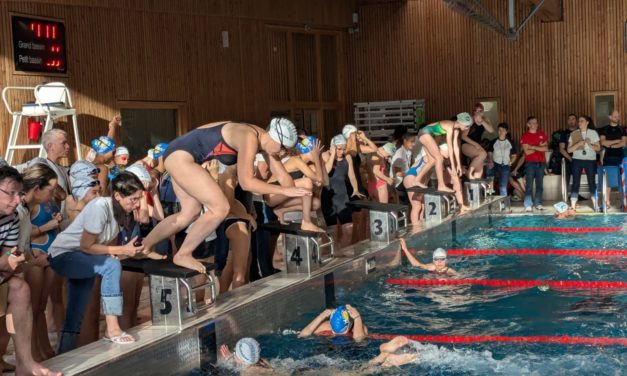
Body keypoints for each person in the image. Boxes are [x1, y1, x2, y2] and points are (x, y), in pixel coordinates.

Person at [142, 118, 311, 273]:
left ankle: (145, 246)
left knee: (189, 213)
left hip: (180, 154)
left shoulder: (265, 141)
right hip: (182, 156)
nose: (283, 154)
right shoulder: (249, 137)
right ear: (274, 138)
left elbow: (284, 178)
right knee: (221, 208)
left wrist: (294, 188)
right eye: (283, 148)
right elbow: (247, 183)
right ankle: (183, 253)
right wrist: (282, 191)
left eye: (287, 151)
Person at [49, 172, 146, 352]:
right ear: (117, 196)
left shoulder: (120, 214)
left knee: (76, 310)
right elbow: (87, 246)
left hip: (83, 258)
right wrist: (122, 250)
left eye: (139, 198)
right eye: (133, 199)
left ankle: (64, 353)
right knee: (111, 266)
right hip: (64, 255)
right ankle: (112, 328)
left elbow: (106, 250)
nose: (138, 204)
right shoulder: (101, 206)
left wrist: (134, 251)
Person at [0, 166, 62, 375]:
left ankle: (25, 363)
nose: (18, 200)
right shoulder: (20, 213)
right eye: (11, 193)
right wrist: (23, 262)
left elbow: (10, 257)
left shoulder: (11, 217)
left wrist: (16, 261)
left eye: (19, 193)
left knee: (20, 288)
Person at [19, 164, 62, 361]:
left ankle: (43, 350)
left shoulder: (25, 209)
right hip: (18, 266)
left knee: (38, 308)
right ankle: (32, 356)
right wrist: (32, 262)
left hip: (28, 259)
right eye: (50, 190)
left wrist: (34, 259)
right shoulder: (18, 209)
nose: (54, 194)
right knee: (31, 310)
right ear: (36, 189)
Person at [322, 135, 362, 248]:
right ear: (332, 147)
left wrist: (355, 189)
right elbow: (326, 170)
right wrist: (333, 154)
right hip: (328, 197)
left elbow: (352, 176)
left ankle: (343, 251)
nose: (342, 151)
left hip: (342, 197)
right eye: (339, 148)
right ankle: (335, 253)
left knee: (349, 228)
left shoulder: (347, 158)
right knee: (333, 231)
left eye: (344, 149)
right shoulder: (325, 155)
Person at [414, 113, 472, 192]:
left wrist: (458, 164)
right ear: (461, 123)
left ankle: (416, 180)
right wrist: (453, 167)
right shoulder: (450, 126)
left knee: (432, 161)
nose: (467, 128)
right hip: (424, 133)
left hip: (426, 134)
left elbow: (456, 147)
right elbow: (450, 147)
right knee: (439, 158)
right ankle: (441, 185)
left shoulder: (456, 130)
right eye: (467, 126)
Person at [567, 115, 600, 211]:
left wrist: (589, 144)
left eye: (582, 121)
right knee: (575, 182)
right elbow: (569, 150)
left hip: (590, 160)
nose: (579, 122)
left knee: (592, 182)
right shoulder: (574, 133)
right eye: (579, 121)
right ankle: (573, 206)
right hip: (577, 159)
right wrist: (578, 144)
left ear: (587, 122)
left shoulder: (593, 133)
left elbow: (598, 148)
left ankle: (595, 205)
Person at [521, 116, 549, 212]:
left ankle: (538, 203)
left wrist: (532, 147)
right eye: (532, 123)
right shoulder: (525, 136)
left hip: (541, 163)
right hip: (530, 163)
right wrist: (538, 147)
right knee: (529, 185)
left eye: (536, 123)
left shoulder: (542, 134)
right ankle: (528, 204)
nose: (535, 125)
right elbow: (527, 152)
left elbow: (546, 148)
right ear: (528, 124)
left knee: (540, 185)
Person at [599, 110, 626, 207]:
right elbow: (602, 142)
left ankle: (623, 201)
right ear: (610, 117)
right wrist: (617, 141)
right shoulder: (604, 129)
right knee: (608, 180)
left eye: (618, 116)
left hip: (620, 157)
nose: (617, 118)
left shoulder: (622, 129)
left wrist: (611, 144)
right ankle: (607, 202)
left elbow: (623, 143)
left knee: (622, 179)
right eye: (615, 116)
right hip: (609, 157)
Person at [299, 305, 368, 342]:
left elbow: (359, 340)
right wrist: (321, 316)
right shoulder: (325, 325)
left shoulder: (357, 326)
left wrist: (357, 317)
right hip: (329, 347)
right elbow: (302, 335)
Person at [462, 104, 494, 179]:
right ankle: (468, 172)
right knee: (483, 154)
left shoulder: (485, 119)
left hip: (476, 146)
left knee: (479, 173)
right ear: (473, 112)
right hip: (466, 145)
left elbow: (491, 130)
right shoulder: (470, 119)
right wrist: (476, 144)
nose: (478, 112)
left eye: (480, 111)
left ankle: (474, 188)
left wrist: (482, 121)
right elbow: (463, 136)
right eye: (476, 110)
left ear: (483, 112)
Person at [487, 123, 516, 196]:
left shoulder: (510, 142)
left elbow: (514, 155)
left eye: (503, 130)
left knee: (503, 185)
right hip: (495, 163)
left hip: (505, 165)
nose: (501, 132)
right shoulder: (493, 141)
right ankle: (489, 197)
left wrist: (510, 163)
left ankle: (503, 203)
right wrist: (490, 161)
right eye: (499, 130)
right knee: (489, 176)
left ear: (506, 132)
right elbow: (490, 153)